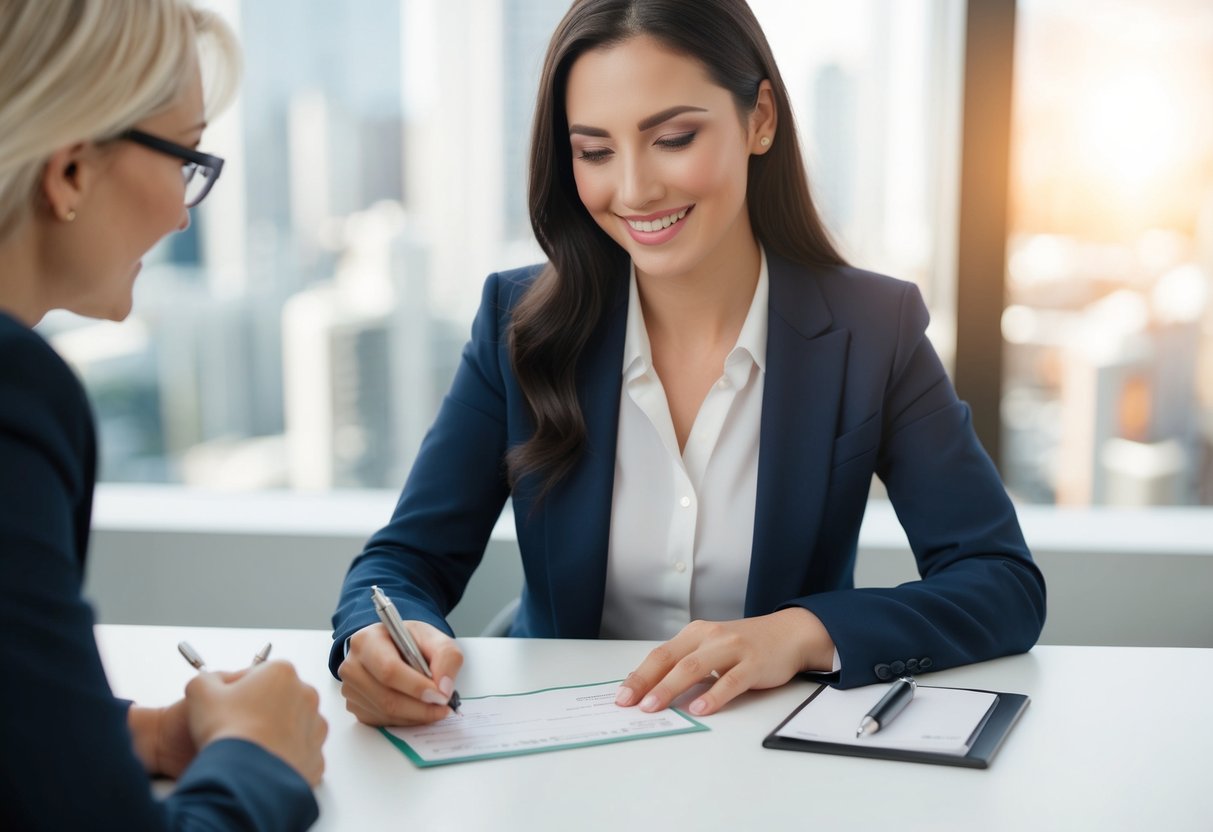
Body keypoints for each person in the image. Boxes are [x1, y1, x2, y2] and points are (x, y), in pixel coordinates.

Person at [331, 0, 1046, 726]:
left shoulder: (871, 329)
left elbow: (1000, 583)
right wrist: (380, 639)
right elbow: (403, 564)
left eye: (672, 138)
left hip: (766, 746)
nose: (635, 190)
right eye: (595, 152)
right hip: (562, 745)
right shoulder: (517, 323)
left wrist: (798, 632)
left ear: (759, 118)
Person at [0, 1, 326, 829]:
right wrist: (259, 756)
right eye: (186, 157)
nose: (183, 213)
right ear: (71, 171)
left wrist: (136, 735)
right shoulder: (12, 392)